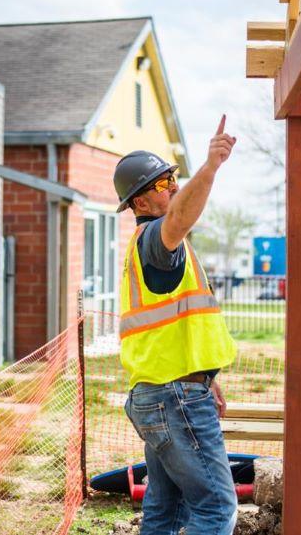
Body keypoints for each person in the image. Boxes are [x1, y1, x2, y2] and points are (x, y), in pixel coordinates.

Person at [112, 115, 239, 535]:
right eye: (164, 185)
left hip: (164, 392)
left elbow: (179, 327)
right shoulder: (155, 241)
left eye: (174, 179)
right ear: (140, 203)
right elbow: (180, 220)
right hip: (174, 399)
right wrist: (210, 168)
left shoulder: (157, 245)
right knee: (217, 509)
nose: (174, 188)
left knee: (166, 511)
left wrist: (206, 378)